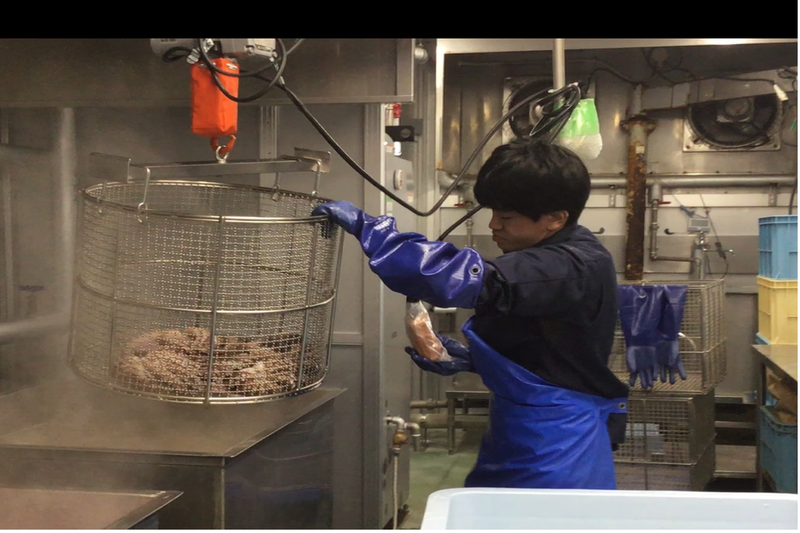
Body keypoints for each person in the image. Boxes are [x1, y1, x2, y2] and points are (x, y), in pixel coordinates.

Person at [312, 138, 630, 490]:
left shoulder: (569, 265)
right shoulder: (560, 252)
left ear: (555, 218)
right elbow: (555, 347)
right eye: (492, 213)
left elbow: (456, 277)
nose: (494, 225)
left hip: (558, 441)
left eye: (506, 217)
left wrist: (370, 230)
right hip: (523, 426)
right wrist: (475, 360)